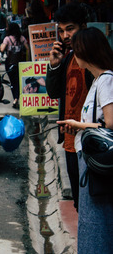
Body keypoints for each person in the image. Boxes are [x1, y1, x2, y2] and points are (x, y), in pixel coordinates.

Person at [55, 27, 113, 254]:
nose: (74, 56)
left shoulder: (107, 80)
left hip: (97, 164)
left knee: (97, 220)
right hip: (89, 162)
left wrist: (80, 126)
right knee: (91, 219)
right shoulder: (99, 80)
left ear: (86, 52)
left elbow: (110, 123)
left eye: (75, 51)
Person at [45, 2, 93, 211]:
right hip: (71, 141)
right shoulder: (67, 58)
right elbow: (54, 93)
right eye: (61, 30)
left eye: (70, 29)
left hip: (91, 142)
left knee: (92, 203)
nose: (65, 35)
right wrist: (54, 65)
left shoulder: (95, 59)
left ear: (83, 26)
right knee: (78, 203)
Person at [0, 22, 29, 108]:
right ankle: (17, 98)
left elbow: (2, 49)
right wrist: (27, 60)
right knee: (19, 81)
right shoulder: (22, 38)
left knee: (13, 82)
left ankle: (15, 98)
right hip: (20, 63)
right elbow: (27, 49)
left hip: (10, 63)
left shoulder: (7, 39)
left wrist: (2, 43)